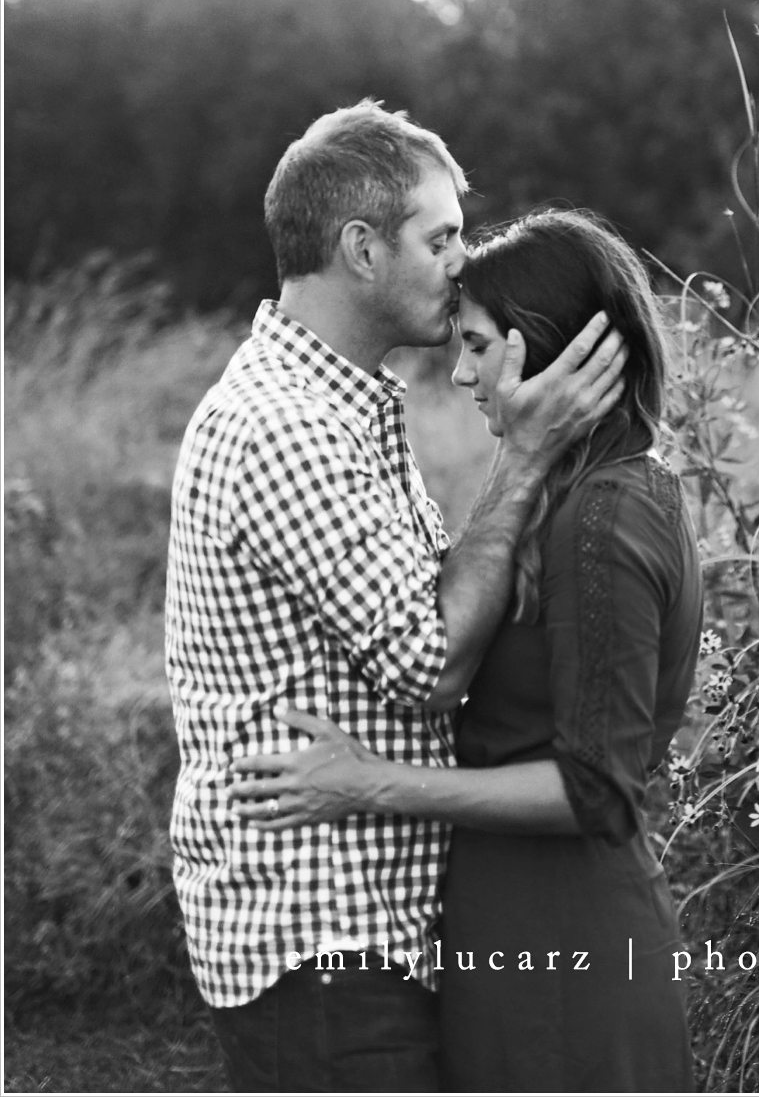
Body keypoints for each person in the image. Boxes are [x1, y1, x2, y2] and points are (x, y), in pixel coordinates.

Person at [165, 103, 626, 1093]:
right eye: (442, 237)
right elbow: (428, 662)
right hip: (323, 943)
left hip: (371, 937)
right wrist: (530, 455)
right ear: (362, 249)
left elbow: (426, 604)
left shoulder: (348, 409)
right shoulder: (282, 427)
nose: (463, 264)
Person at [231, 209, 704, 1093]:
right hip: (512, 932)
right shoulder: (564, 501)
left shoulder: (606, 515)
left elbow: (596, 786)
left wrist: (369, 781)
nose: (459, 371)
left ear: (553, 351)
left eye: (481, 345)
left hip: (565, 944)